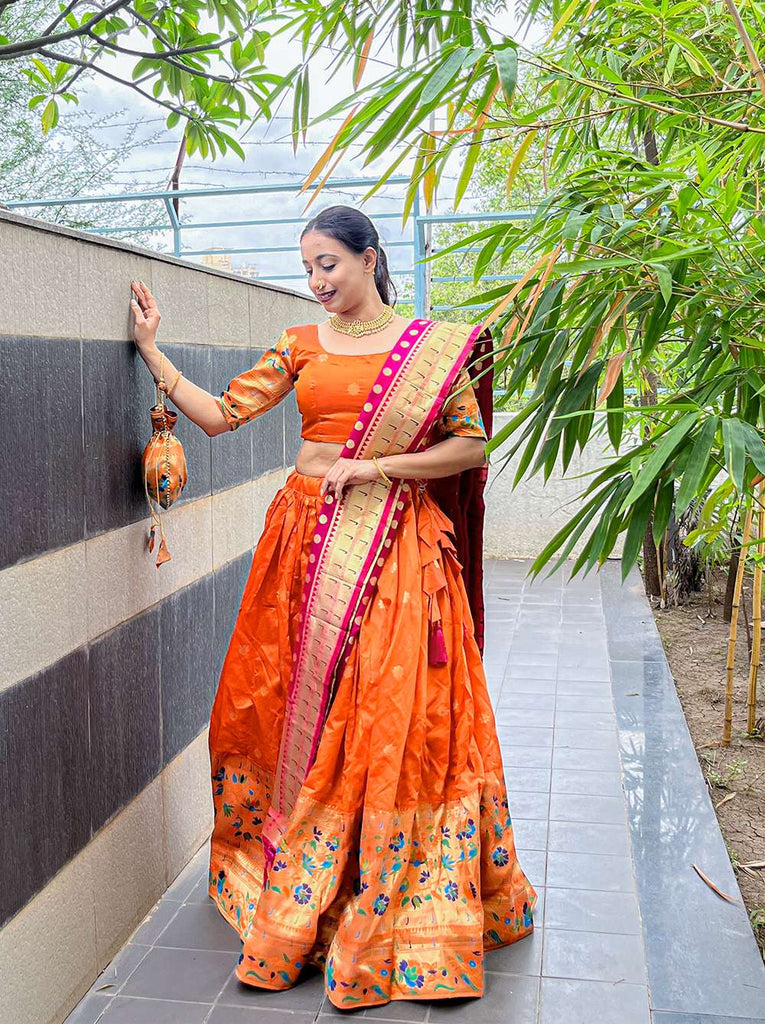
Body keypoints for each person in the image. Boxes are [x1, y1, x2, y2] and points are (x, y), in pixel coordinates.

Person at [130, 204, 537, 1010]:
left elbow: (469, 444)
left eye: (329, 265)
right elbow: (220, 416)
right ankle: (313, 870)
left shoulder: (427, 348)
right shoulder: (299, 344)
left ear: (369, 257)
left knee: (392, 708)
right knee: (291, 704)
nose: (316, 282)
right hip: (305, 544)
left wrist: (382, 471)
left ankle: (393, 890)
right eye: (307, 267)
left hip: (398, 545)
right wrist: (151, 352)